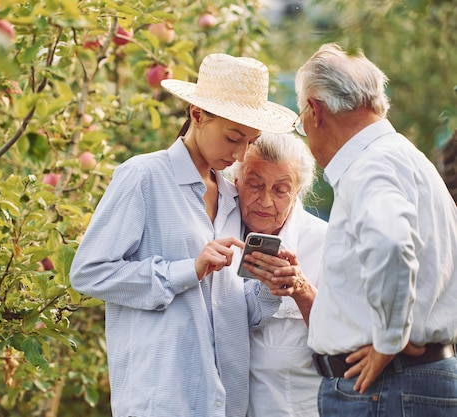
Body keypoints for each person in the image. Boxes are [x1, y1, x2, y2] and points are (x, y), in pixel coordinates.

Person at [69, 53, 298, 417]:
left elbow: (230, 311)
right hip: (160, 400)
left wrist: (270, 287)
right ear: (196, 114)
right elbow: (88, 273)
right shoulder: (143, 177)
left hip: (223, 402)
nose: (239, 154)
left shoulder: (228, 197)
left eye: (250, 141)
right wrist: (188, 269)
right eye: (232, 137)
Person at [293, 42, 457, 417]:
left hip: (387, 387)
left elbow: (391, 244)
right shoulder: (405, 158)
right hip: (406, 381)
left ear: (314, 111)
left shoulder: (372, 164)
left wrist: (388, 340)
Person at [229, 132, 326, 417]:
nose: (266, 201)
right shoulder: (215, 231)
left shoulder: (326, 243)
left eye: (281, 190)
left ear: (297, 192)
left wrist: (301, 289)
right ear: (236, 181)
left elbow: (346, 338)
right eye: (255, 184)